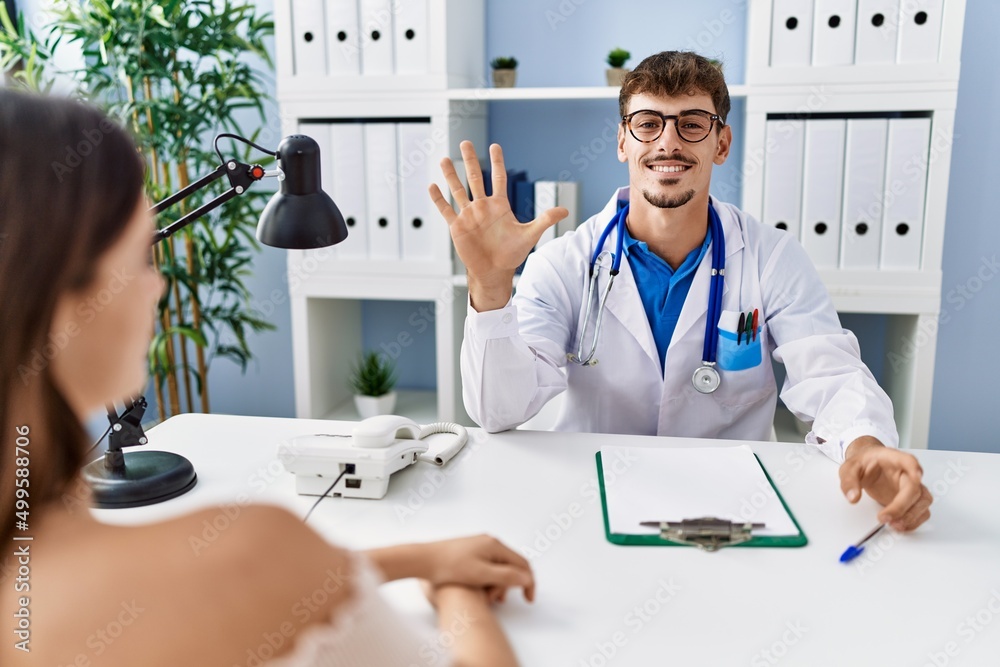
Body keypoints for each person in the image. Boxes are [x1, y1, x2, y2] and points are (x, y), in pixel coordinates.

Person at [0, 90, 534, 666]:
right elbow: (252, 582)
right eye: (137, 256)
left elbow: (204, 594)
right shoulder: (259, 551)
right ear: (59, 296)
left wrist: (412, 559)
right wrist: (458, 597)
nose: (156, 286)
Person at [429, 51, 932, 533]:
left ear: (722, 142)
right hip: (588, 499)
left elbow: (832, 375)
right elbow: (498, 411)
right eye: (648, 123)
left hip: (733, 502)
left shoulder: (772, 257)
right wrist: (491, 286)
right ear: (623, 141)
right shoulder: (564, 262)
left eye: (692, 123)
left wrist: (864, 446)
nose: (668, 142)